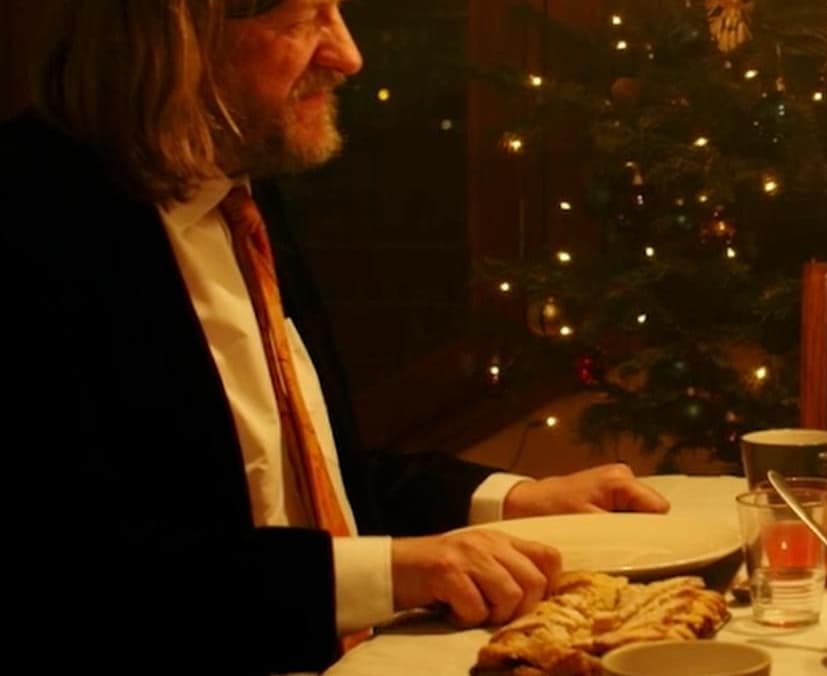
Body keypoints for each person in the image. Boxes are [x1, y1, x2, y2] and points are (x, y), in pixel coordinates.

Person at [1, 1, 672, 672]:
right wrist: (391, 572)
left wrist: (514, 500)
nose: (349, 56)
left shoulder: (236, 191)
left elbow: (311, 480)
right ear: (173, 34)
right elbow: (82, 573)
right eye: (303, 19)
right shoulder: (30, 223)